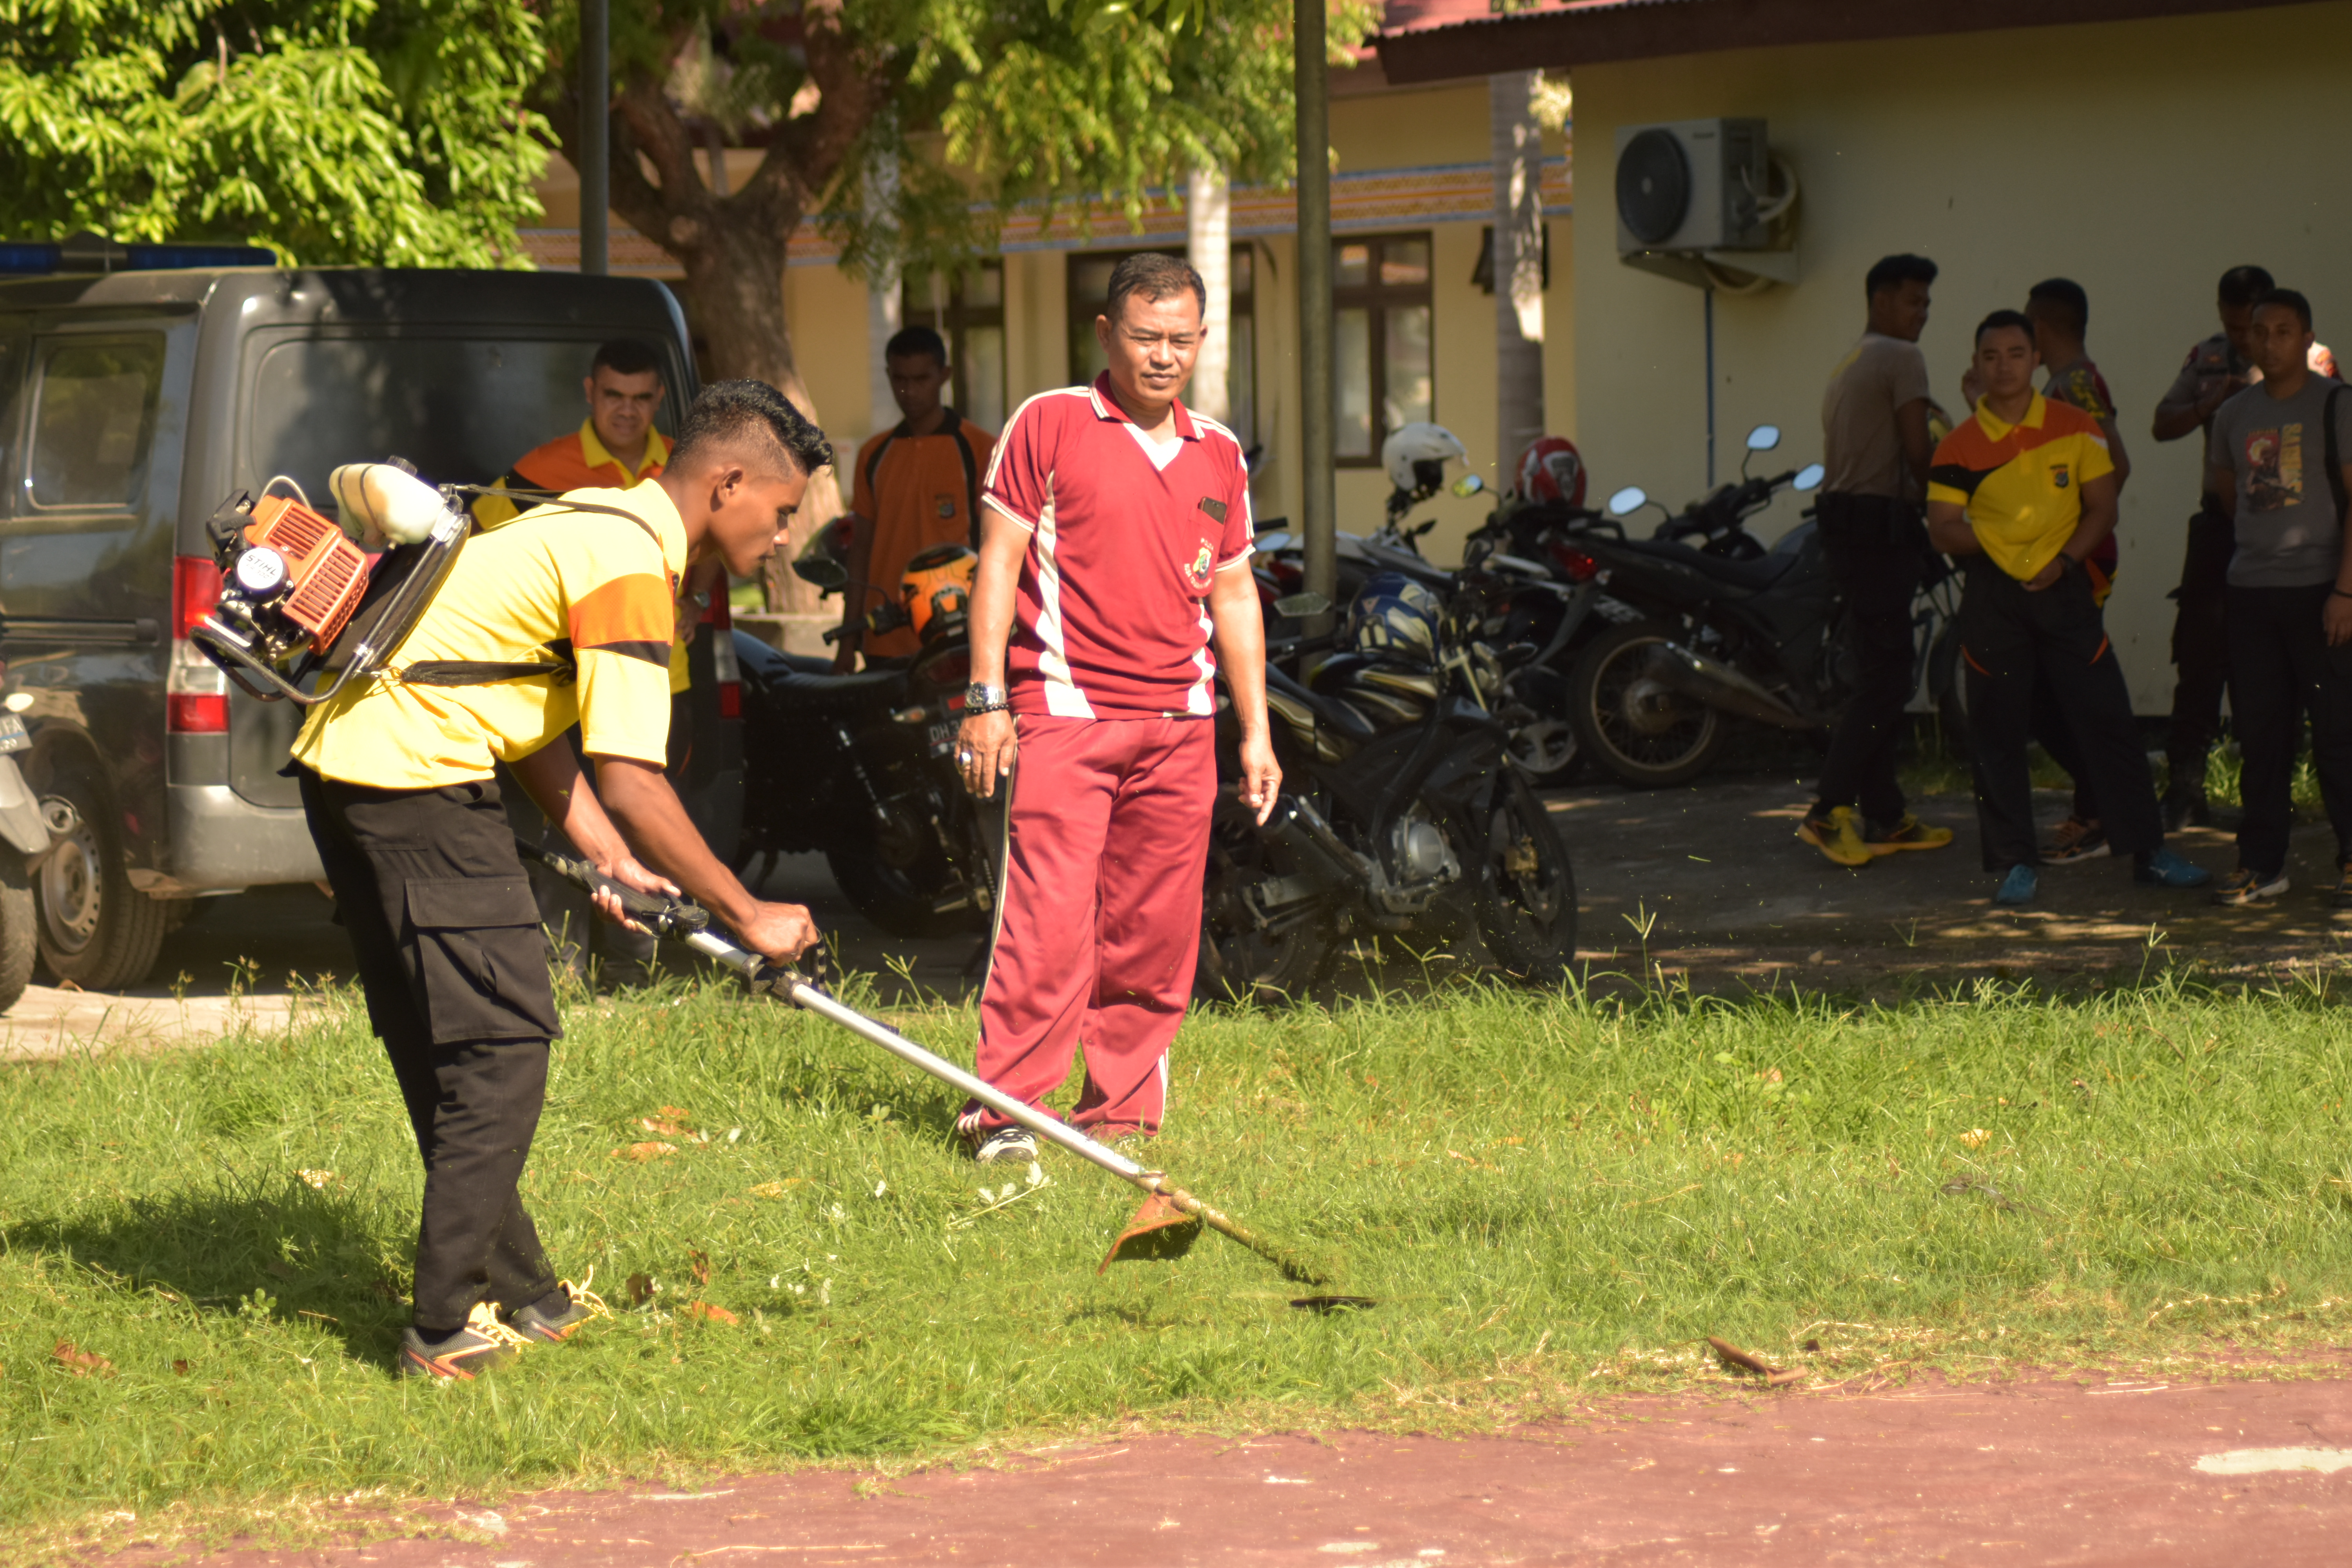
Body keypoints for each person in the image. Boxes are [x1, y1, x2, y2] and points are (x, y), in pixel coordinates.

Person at [293, 381, 828, 1378]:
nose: (789, 534)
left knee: (451, 1046)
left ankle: (525, 1291)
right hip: (413, 776)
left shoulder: (600, 520)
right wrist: (748, 910)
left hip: (355, 763)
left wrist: (608, 855)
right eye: (786, 509)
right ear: (730, 482)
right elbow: (632, 774)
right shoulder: (631, 558)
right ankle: (441, 1329)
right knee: (501, 1048)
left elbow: (525, 703)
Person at [952, 252, 1279, 1165]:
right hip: (1066, 717)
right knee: (1048, 928)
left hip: (1181, 731)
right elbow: (999, 564)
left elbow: (1236, 593)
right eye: (1145, 338)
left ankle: (1121, 1119)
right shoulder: (1050, 423)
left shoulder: (1219, 451)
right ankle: (1003, 1114)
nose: (1163, 356)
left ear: (1204, 340)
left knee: (1155, 936)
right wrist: (986, 699)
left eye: (1181, 340)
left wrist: (1253, 730)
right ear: (1106, 334)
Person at [1926, 311, 2210, 906]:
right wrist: (2007, 548)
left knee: (2108, 720)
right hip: (1994, 596)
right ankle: (2014, 863)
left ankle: (2150, 853)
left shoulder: (2077, 425)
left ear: (2035, 360)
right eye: (1991, 355)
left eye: (2015, 353)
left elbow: (2102, 509)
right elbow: (1944, 529)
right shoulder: (1957, 445)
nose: (2003, 365)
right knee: (1999, 732)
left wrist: (2062, 561)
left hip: (2065, 589)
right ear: (1976, 365)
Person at [1797, 253, 1955, 867]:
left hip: (1847, 528)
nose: (1922, 314)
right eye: (1914, 301)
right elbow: (1920, 452)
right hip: (1875, 532)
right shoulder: (1901, 358)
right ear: (1881, 302)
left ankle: (1885, 815)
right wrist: (1951, 511)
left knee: (1880, 671)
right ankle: (1827, 811)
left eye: (1927, 304)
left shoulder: (1854, 358)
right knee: (1887, 678)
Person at [2203, 289, 2352, 907]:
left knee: (2339, 732)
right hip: (2252, 593)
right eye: (2261, 332)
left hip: (2323, 592)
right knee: (2261, 736)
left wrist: (2346, 589)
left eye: (2285, 331)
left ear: (2308, 338)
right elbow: (2229, 496)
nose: (2269, 342)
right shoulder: (2234, 414)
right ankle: (2262, 865)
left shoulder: (2336, 405)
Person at [2151, 266, 2275, 829]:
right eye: (2232, 325)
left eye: (2249, 326)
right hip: (2218, 526)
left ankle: (2270, 794)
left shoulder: (2310, 357)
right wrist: (2213, 403)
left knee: (2272, 663)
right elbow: (2162, 423)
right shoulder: (2208, 356)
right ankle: (2185, 787)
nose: (2244, 339)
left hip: (2281, 530)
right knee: (2199, 656)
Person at [2020, 278, 2133, 866]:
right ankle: (2097, 806)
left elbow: (2114, 464)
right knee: (2051, 693)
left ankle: (2100, 814)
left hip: (2078, 562)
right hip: (2062, 559)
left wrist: (2072, 538)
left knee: (2067, 692)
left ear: (2040, 328)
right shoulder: (2059, 387)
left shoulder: (2078, 385)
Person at [836, 327, 998, 668]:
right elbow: (860, 550)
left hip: (957, 635)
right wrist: (847, 643)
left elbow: (1000, 546)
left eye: (922, 378)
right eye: (900, 379)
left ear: (944, 376)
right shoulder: (873, 455)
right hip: (886, 637)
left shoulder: (980, 449)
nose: (909, 391)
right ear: (888, 376)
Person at [471, 338, 672, 526]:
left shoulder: (687, 462)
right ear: (589, 391)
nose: (628, 411)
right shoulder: (539, 471)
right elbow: (471, 538)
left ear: (658, 398)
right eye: (614, 396)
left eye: (641, 398)